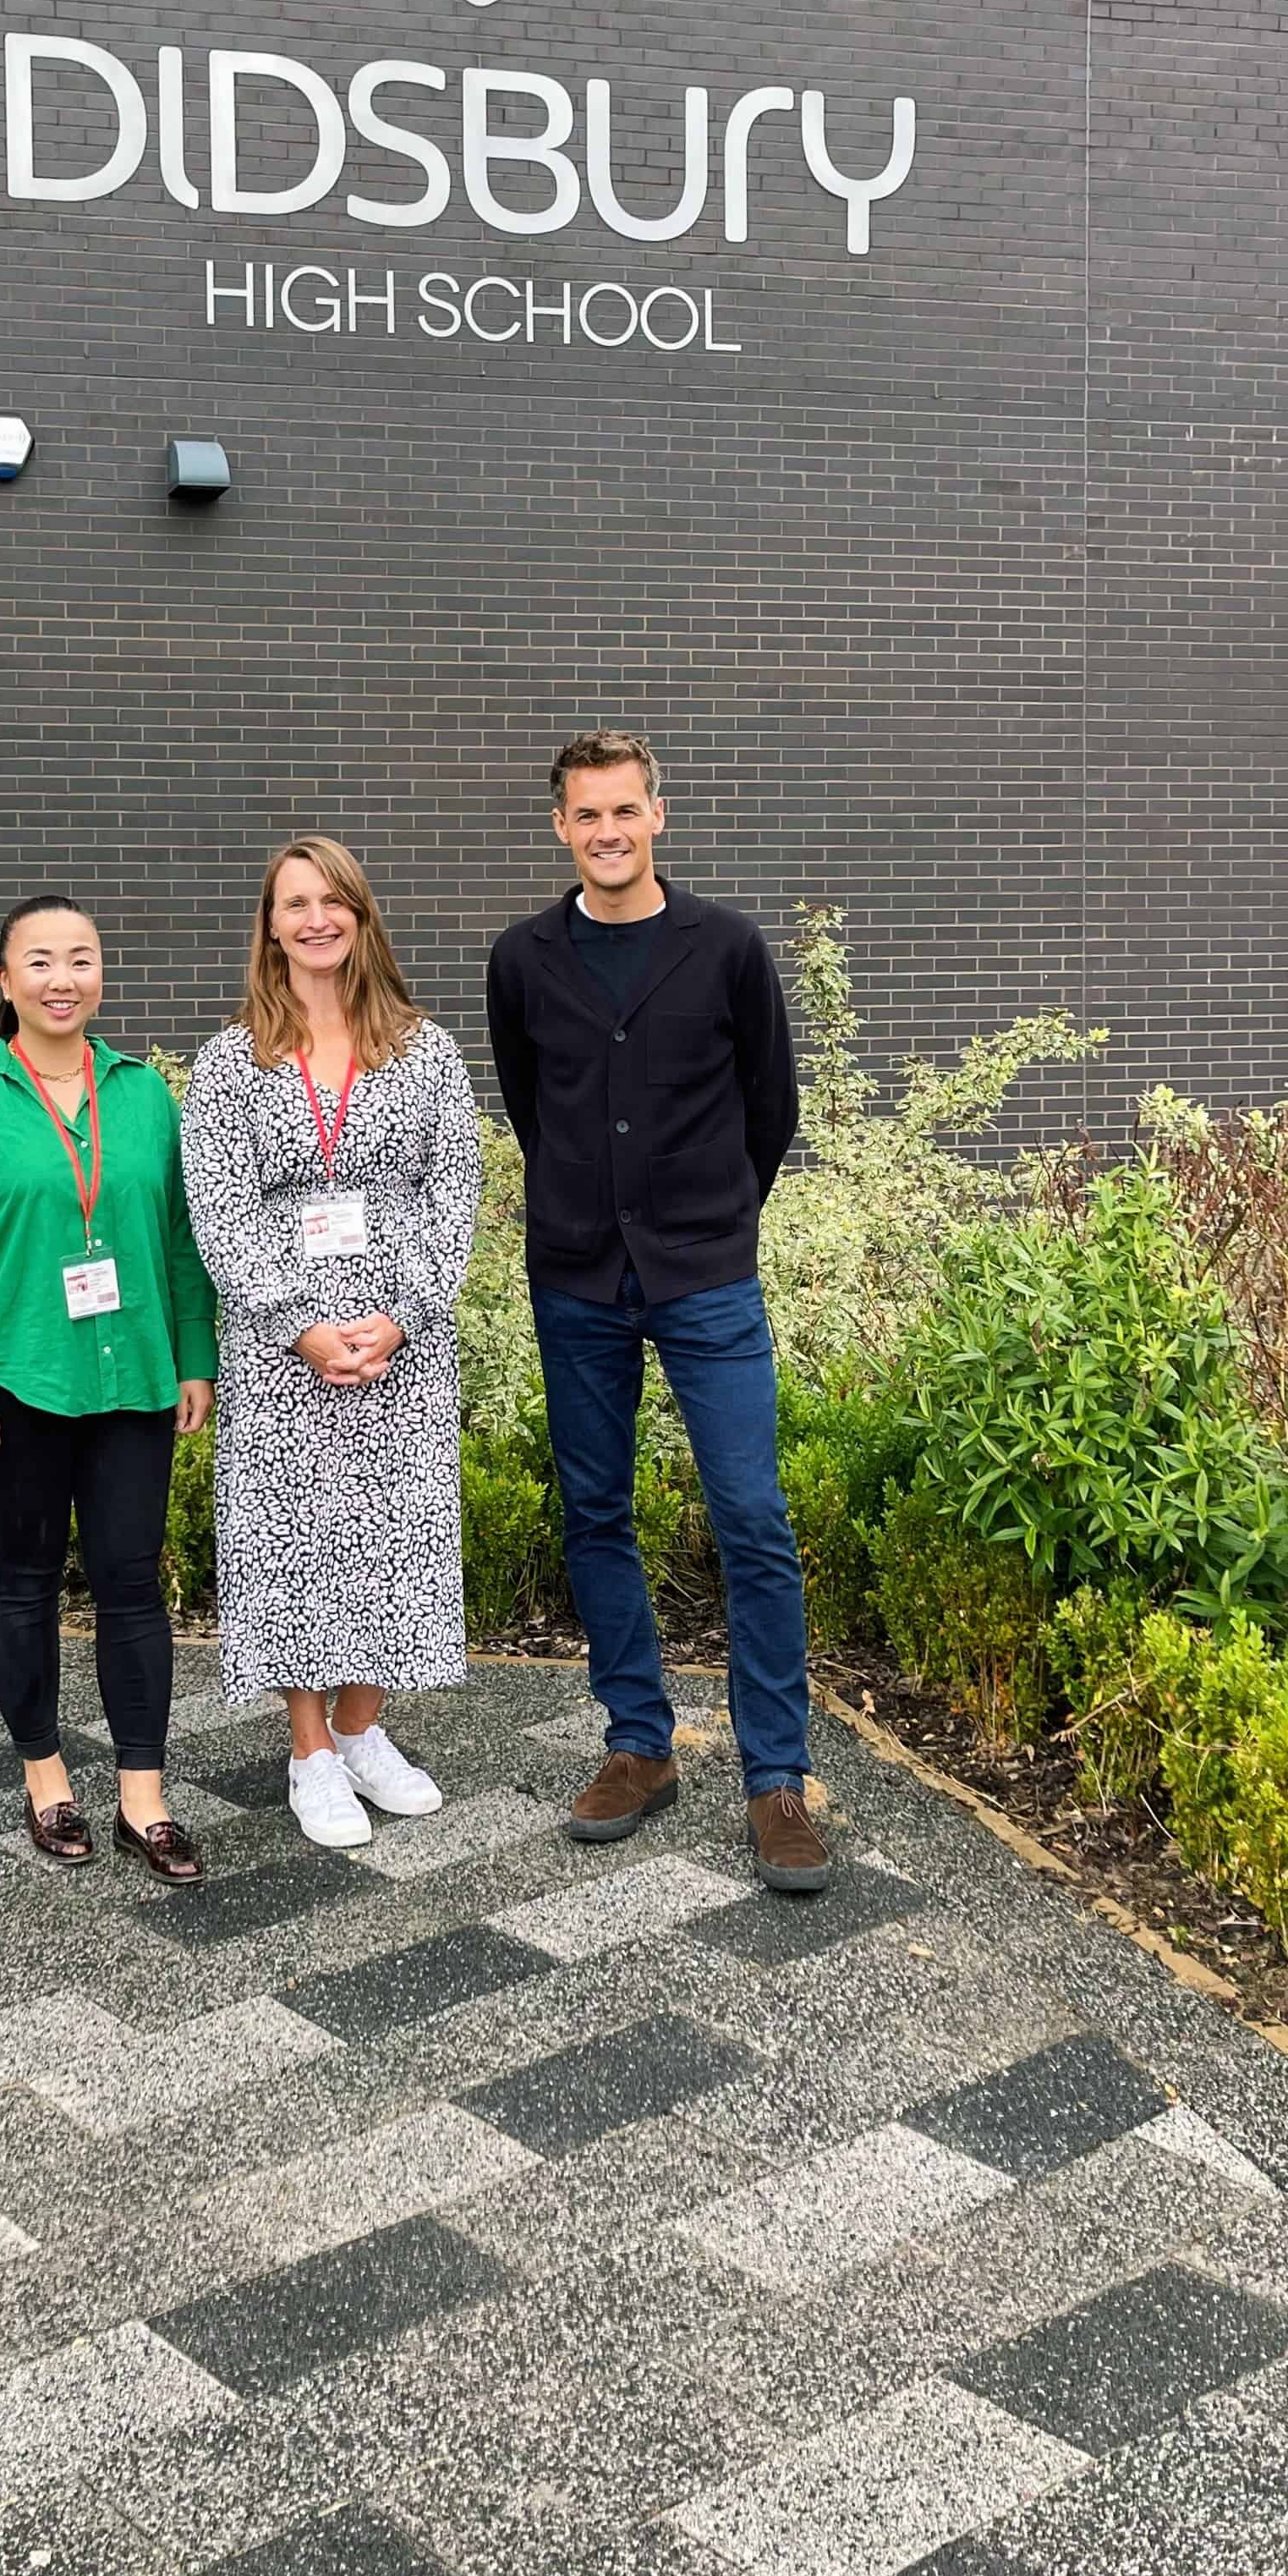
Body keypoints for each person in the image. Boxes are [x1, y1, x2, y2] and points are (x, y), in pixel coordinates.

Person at [485, 733, 830, 1896]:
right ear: (561, 827)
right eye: (587, 815)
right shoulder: (523, 958)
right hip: (577, 1274)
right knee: (595, 1509)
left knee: (750, 1515)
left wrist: (707, 1217)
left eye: (625, 810)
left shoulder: (724, 947)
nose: (608, 831)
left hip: (706, 1276)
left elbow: (768, 1107)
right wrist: (599, 1207)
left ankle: (775, 1776)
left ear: (657, 815)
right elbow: (535, 1107)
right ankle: (639, 1742)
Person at [0, 894, 217, 1881]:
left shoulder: (143, 1094)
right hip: (16, 1383)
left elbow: (179, 1236)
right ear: (5, 982)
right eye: (39, 961)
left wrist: (195, 1355)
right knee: (26, 1582)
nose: (62, 978)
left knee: (131, 1585)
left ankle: (143, 1797)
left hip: (133, 1380)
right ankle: (46, 1776)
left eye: (81, 958)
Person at [181, 837, 482, 1850]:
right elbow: (218, 1210)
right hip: (282, 1343)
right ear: (269, 925)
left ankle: (362, 1729)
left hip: (404, 1336)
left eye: (332, 901)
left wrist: (407, 1310)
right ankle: (309, 1749)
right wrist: (299, 1327)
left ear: (360, 913)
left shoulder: (426, 1048)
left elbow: (455, 1190)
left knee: (396, 1533)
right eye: (294, 903)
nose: (315, 919)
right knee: (294, 1539)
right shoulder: (232, 1060)